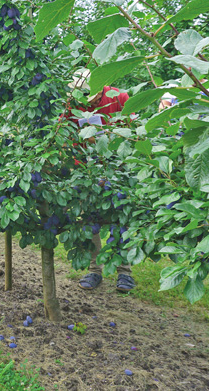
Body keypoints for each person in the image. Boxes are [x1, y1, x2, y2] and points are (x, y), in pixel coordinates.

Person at [69, 69, 136, 293]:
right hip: (87, 170)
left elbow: (133, 131)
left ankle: (124, 272)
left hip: (117, 167)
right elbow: (67, 134)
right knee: (91, 220)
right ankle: (94, 270)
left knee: (120, 217)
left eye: (95, 96)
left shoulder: (119, 97)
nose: (92, 101)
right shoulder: (74, 104)